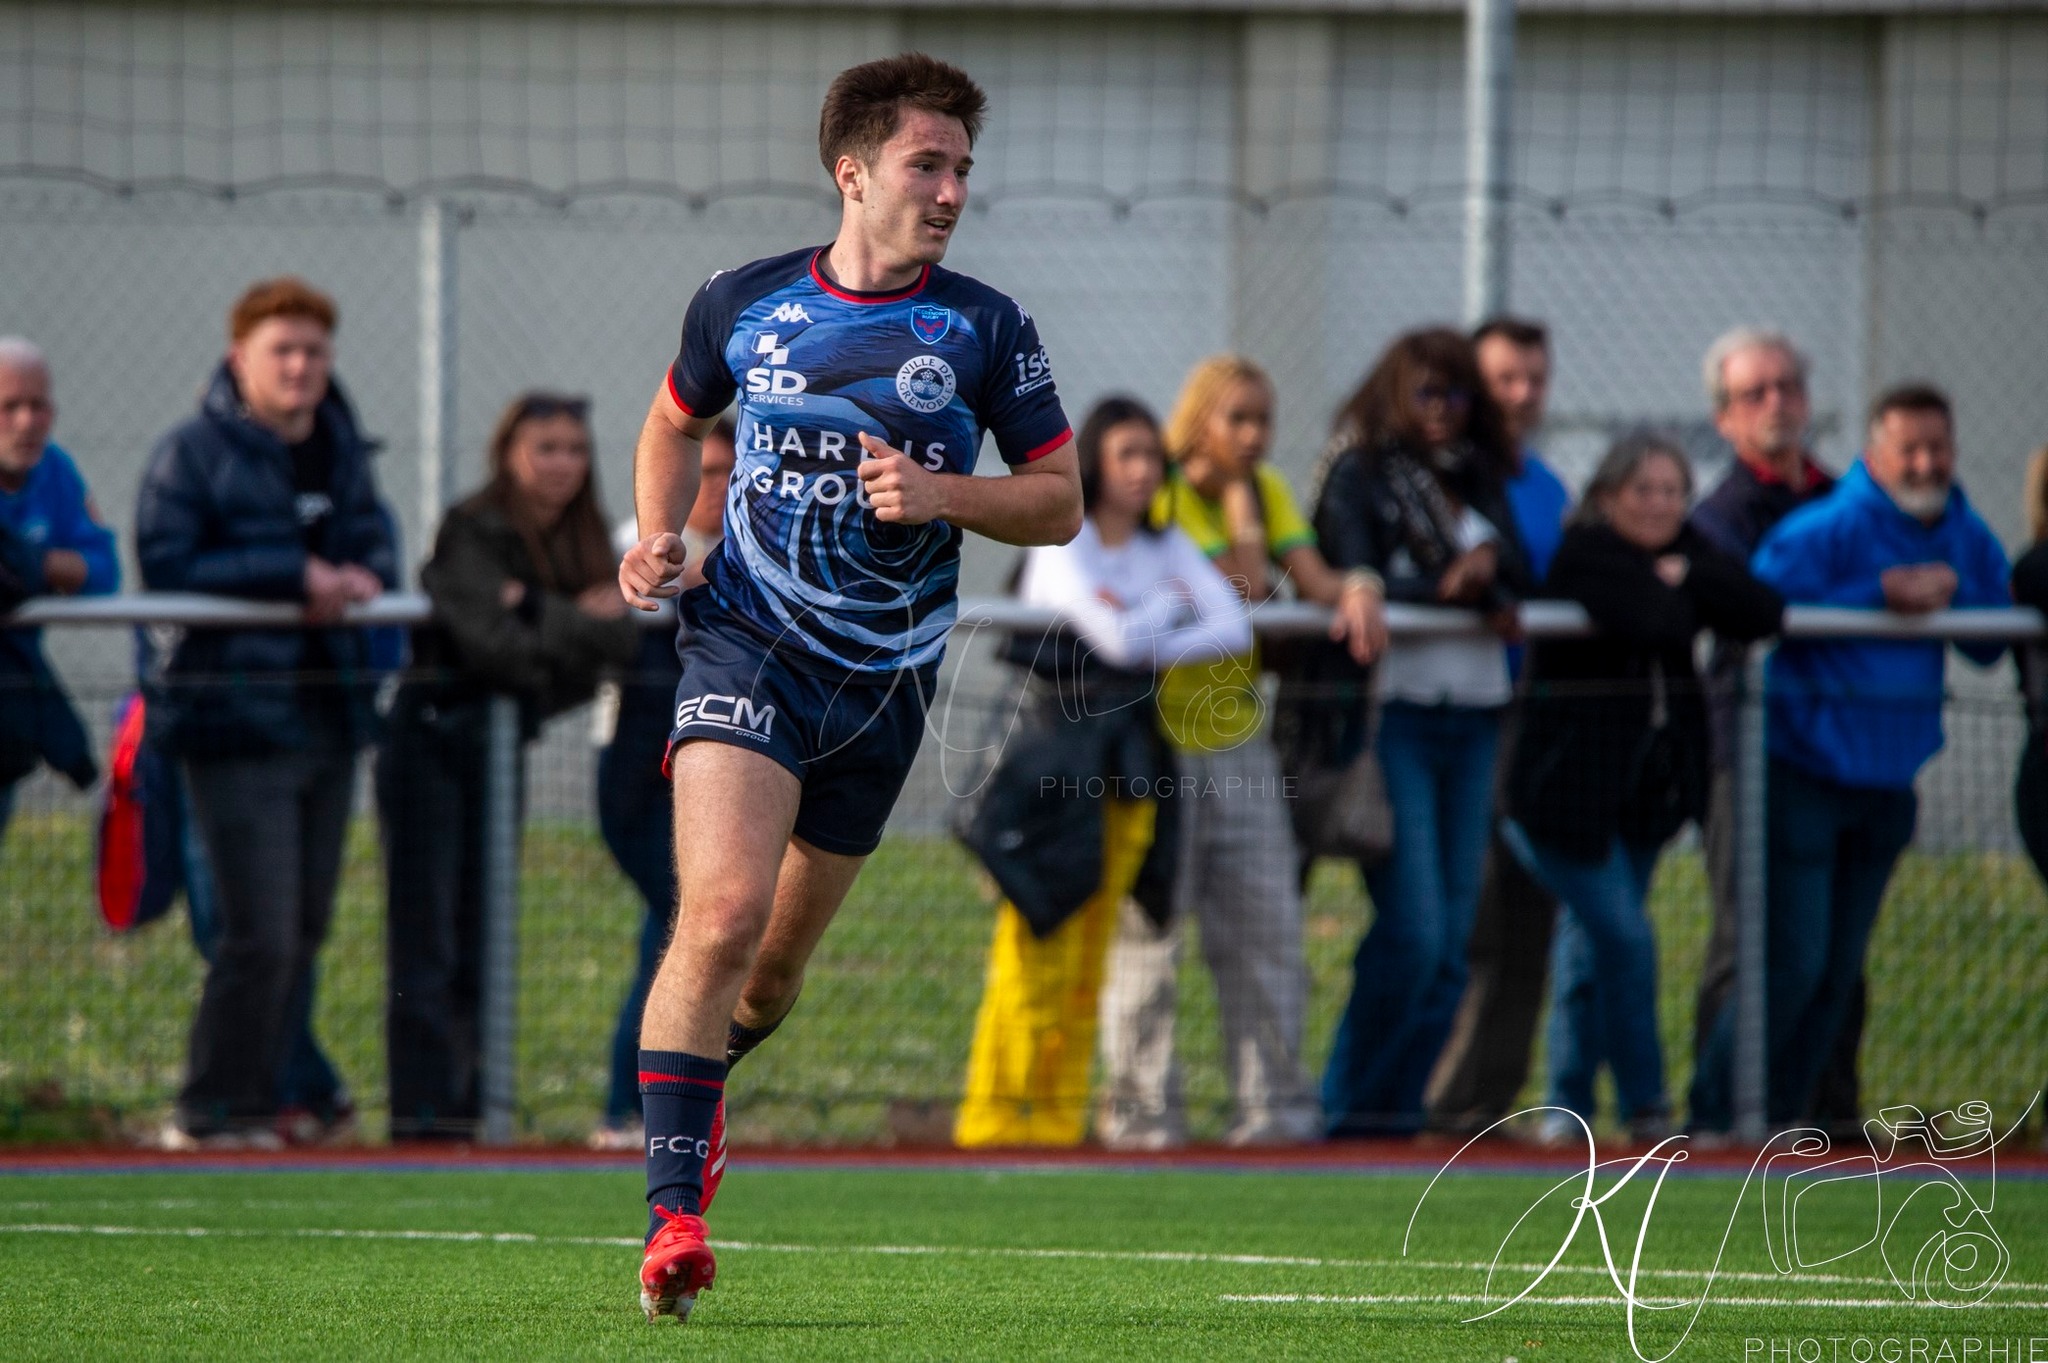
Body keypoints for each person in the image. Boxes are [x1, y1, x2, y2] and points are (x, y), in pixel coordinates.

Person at [616, 54, 1085, 1321]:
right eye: (927, 166)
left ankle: (699, 1091)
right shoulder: (742, 300)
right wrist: (654, 535)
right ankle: (672, 1215)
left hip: (881, 685)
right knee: (714, 917)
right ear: (853, 171)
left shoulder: (986, 328)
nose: (949, 192)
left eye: (961, 172)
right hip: (742, 646)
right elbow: (671, 422)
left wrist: (944, 496)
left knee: (767, 974)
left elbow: (1058, 500)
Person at [1690, 383, 2010, 1132]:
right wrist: (1878, 593)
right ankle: (1715, 1118)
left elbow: (1991, 642)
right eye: (1910, 448)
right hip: (1804, 770)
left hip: (1890, 780)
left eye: (1939, 447)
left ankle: (1786, 1118)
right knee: (1790, 962)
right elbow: (1756, 603)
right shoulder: (1829, 525)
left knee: (1837, 973)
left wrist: (1957, 593)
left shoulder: (1962, 530)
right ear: (1876, 451)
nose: (1926, 463)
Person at [1093, 354, 1386, 1152]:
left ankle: (1276, 1113)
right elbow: (1243, 584)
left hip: (1239, 740)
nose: (1255, 437)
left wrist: (1357, 586)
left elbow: (1307, 577)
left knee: (1267, 933)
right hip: (1156, 744)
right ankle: (1144, 1119)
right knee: (1150, 940)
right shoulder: (1157, 491)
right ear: (1200, 420)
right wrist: (1232, 533)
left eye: (1265, 419)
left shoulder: (1266, 491)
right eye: (1238, 419)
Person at [135, 278, 395, 1149]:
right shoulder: (192, 453)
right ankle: (212, 1109)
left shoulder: (340, 447)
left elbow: (374, 538)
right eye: (282, 350)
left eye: (314, 351)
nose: (301, 366)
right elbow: (168, 560)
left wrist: (361, 573)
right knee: (259, 932)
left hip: (327, 718)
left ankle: (268, 1104)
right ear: (238, 357)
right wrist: (294, 577)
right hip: (236, 723)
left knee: (306, 929)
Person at [954, 396, 1249, 1148]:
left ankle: (1052, 1121)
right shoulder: (1064, 540)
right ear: (1093, 460)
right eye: (1128, 454)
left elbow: (1232, 624)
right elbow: (1113, 641)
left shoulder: (1164, 544)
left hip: (1129, 771)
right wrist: (1166, 614)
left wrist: (1142, 613)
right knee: (1034, 955)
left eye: (1153, 456)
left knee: (1090, 960)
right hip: (1052, 776)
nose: (1144, 471)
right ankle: (995, 1121)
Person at [1503, 434, 1781, 1143]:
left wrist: (1686, 573)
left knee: (1589, 947)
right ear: (1606, 496)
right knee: (1626, 940)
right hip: (1561, 799)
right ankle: (1648, 1108)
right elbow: (1658, 621)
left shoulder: (1686, 550)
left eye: (1671, 490)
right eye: (1643, 490)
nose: (1659, 504)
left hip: (1641, 802)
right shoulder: (1585, 555)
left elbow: (1760, 610)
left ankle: (1566, 1107)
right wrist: (1685, 588)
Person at [380, 393, 638, 1141]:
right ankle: (426, 1120)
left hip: (498, 751)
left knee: (484, 932)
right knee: (428, 940)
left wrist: (535, 608)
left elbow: (620, 648)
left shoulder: (584, 536)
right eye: (545, 447)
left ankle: (475, 1111)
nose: (562, 464)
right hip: (429, 746)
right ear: (508, 453)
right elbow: (495, 647)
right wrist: (572, 622)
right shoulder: (473, 529)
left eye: (575, 449)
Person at [1311, 326, 1533, 1138]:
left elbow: (1522, 568)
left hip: (1473, 717)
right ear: (1397, 393)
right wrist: (1455, 588)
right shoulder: (1359, 467)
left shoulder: (1477, 471)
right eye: (1429, 394)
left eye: (1459, 395)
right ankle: (1348, 1112)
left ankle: (1395, 1117)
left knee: (1452, 946)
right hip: (1394, 717)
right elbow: (1356, 568)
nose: (1444, 412)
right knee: (1416, 929)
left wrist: (1485, 575)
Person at [1683, 328, 1850, 1127]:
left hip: (1836, 753)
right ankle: (1718, 1114)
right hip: (1743, 752)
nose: (1778, 404)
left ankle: (1813, 1106)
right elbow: (1743, 603)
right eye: (1757, 393)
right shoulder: (1722, 514)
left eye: (1788, 386)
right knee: (1746, 942)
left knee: (1832, 956)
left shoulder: (1840, 495)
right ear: (1724, 417)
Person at [1423, 315, 1572, 1135]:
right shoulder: (1448, 475)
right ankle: (1440, 1103)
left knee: (1529, 921)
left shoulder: (1549, 485)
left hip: (1541, 726)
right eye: (1506, 378)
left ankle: (1490, 1104)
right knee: (1468, 920)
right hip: (1465, 720)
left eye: (1535, 379)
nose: (1522, 395)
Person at [591, 416, 735, 1151]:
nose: (712, 490)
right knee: (684, 925)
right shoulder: (644, 542)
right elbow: (613, 603)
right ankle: (633, 1105)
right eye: (701, 472)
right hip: (639, 783)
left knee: (685, 927)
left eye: (724, 473)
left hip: (713, 777)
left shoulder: (753, 544)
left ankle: (649, 1105)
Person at [0, 337, 117, 841]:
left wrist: (32, 565)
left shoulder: (56, 472)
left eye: (38, 406)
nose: (27, 422)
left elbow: (104, 571)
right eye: (9, 407)